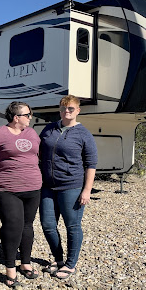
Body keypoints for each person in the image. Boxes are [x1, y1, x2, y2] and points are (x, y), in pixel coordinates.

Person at [0, 101, 42, 287]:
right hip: (6, 188)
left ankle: (25, 264)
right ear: (16, 117)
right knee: (13, 224)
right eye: (27, 114)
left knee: (27, 225)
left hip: (33, 187)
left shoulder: (31, 133)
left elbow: (37, 155)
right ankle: (10, 269)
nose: (30, 117)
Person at [39, 95, 98, 280]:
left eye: (71, 108)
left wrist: (87, 190)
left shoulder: (83, 134)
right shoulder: (49, 129)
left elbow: (91, 164)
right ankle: (58, 259)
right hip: (47, 186)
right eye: (64, 108)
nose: (67, 111)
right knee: (48, 225)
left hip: (71, 186)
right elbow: (37, 151)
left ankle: (71, 264)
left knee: (72, 226)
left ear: (78, 110)